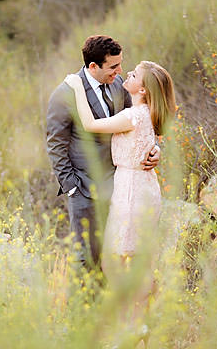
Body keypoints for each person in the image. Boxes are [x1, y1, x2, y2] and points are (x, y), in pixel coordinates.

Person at [63, 61, 177, 324]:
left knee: (113, 262)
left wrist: (77, 86)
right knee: (141, 260)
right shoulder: (146, 112)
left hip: (131, 192)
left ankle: (133, 324)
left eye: (135, 74)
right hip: (145, 186)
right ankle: (142, 324)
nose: (128, 74)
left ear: (144, 89)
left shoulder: (133, 116)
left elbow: (90, 124)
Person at [46, 35, 160, 269]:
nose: (120, 71)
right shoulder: (64, 94)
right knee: (86, 256)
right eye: (113, 66)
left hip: (122, 185)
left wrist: (155, 149)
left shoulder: (119, 84)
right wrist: (72, 186)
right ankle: (84, 305)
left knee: (115, 256)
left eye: (120, 64)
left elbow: (139, 123)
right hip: (85, 187)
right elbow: (55, 144)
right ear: (93, 66)